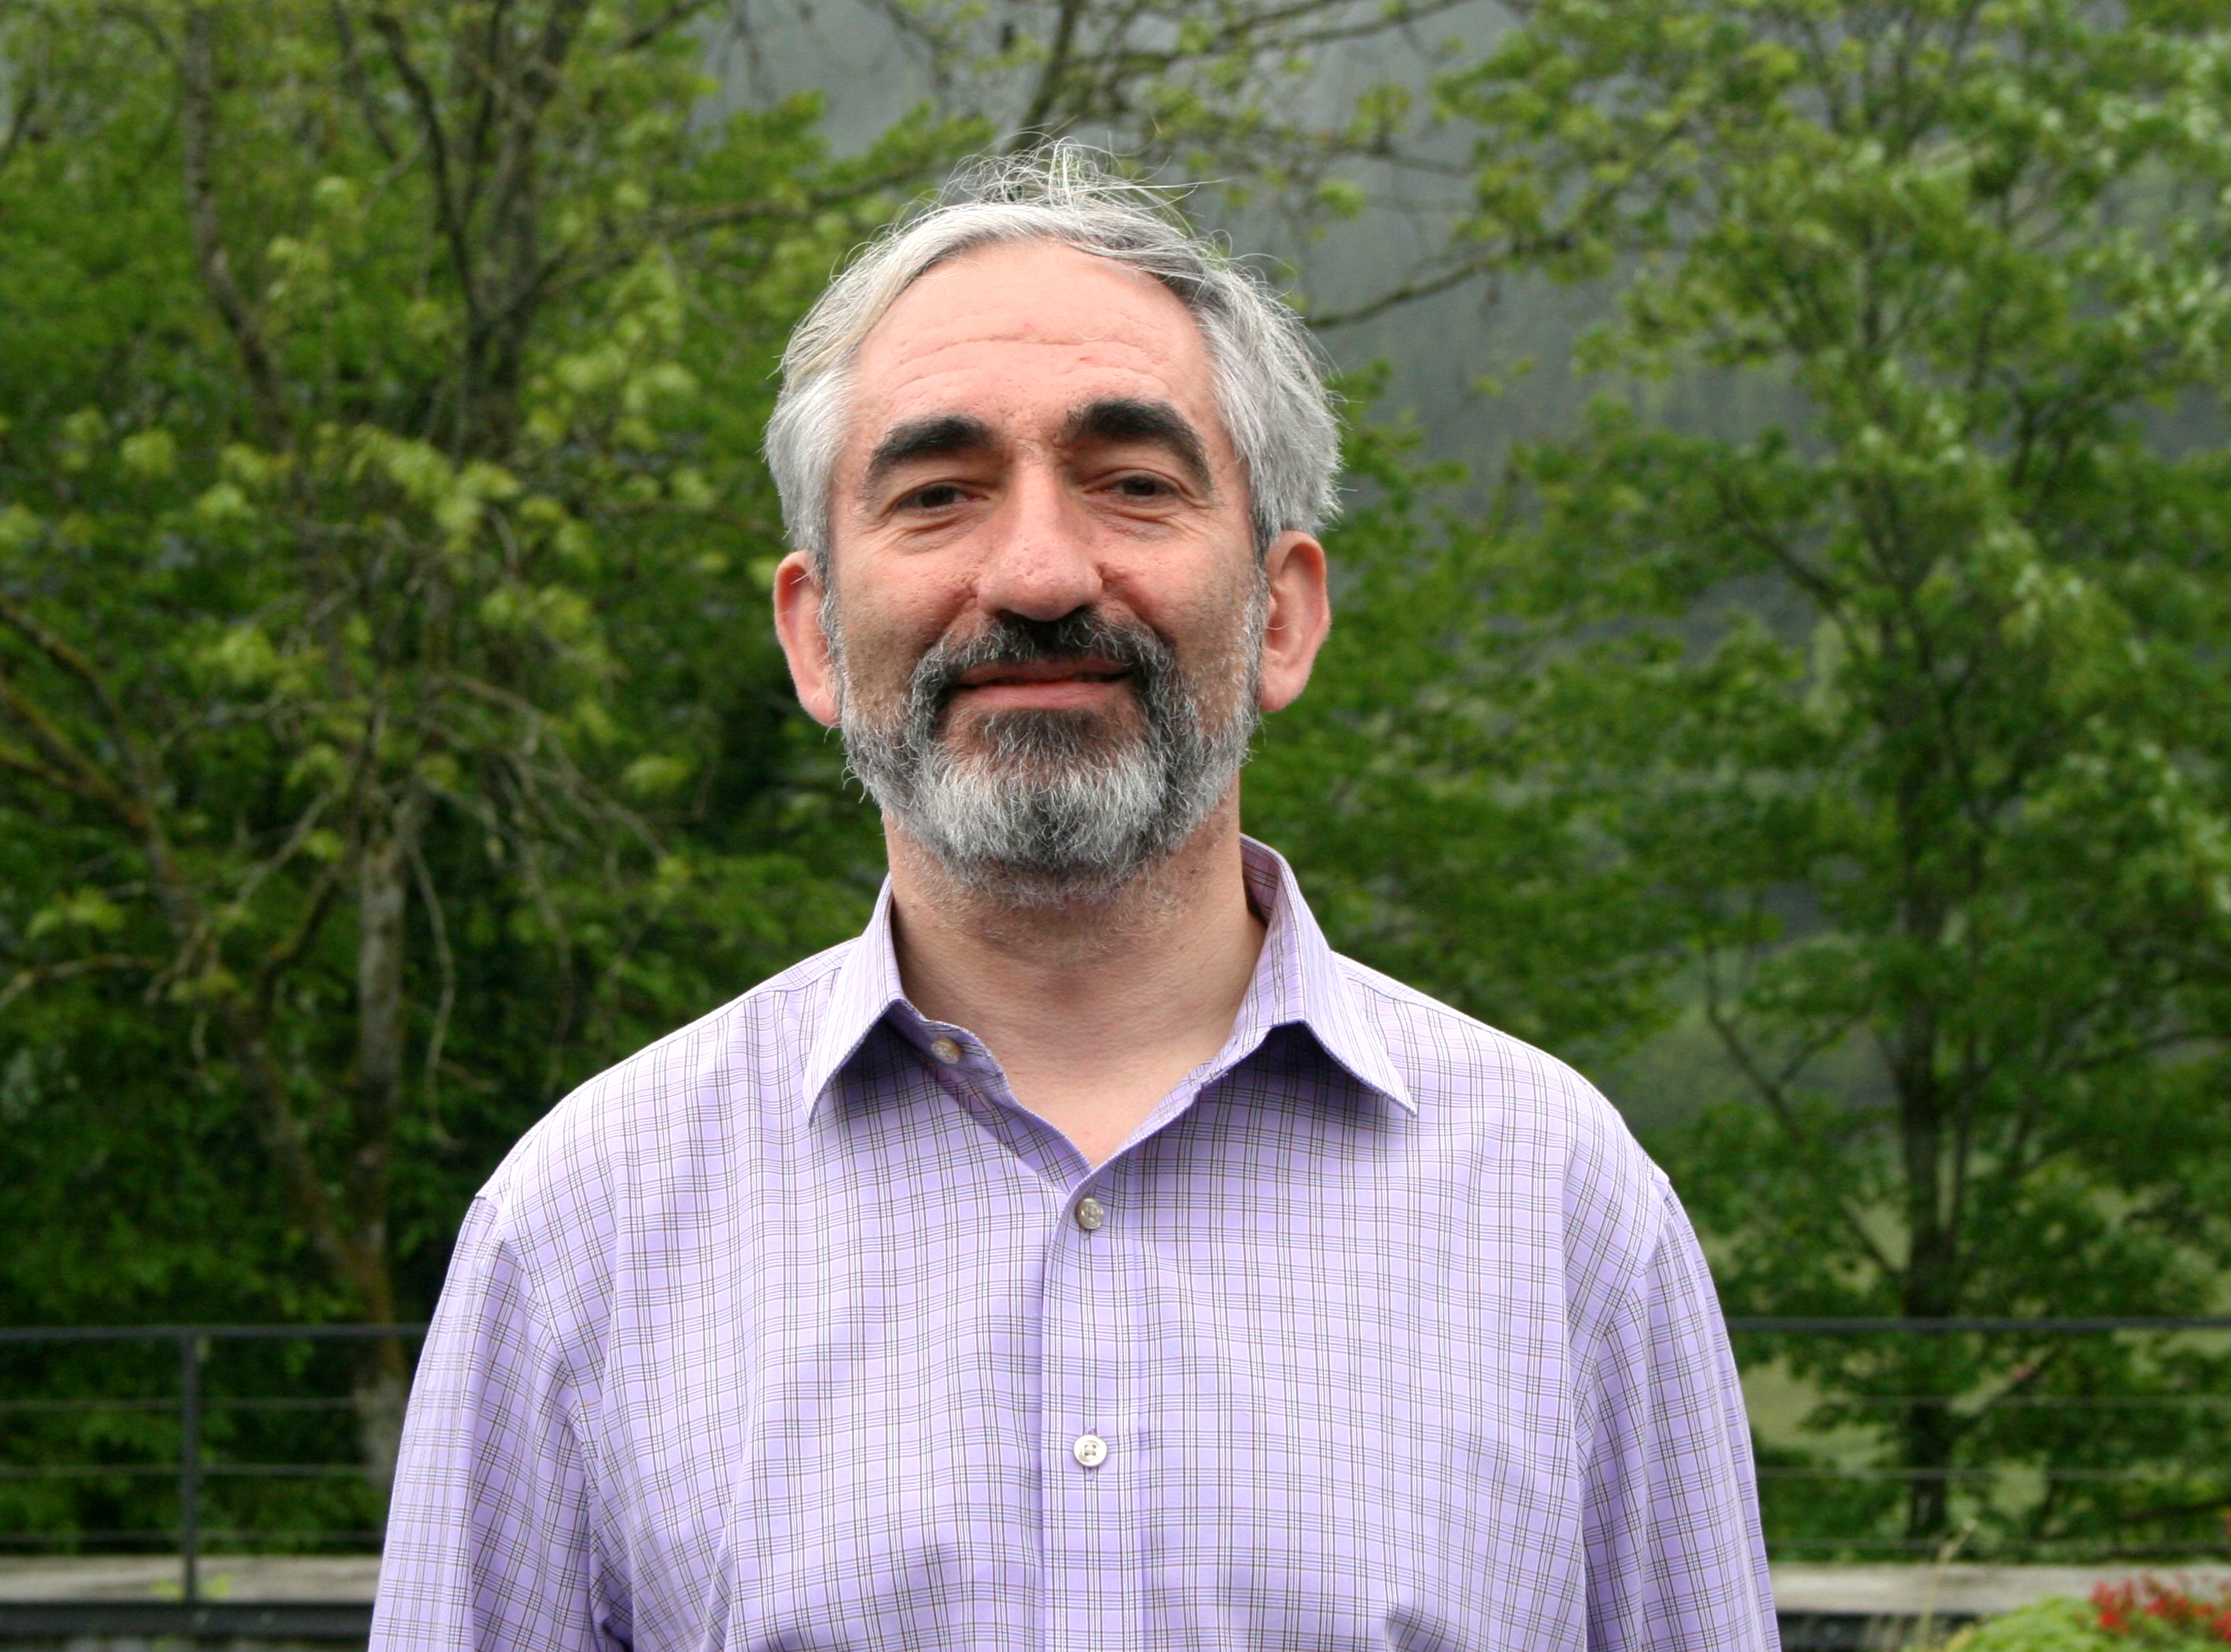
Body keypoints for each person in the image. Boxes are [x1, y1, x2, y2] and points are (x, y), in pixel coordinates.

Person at [372, 143, 1779, 1652]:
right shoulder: (577, 1231)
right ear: (818, 635)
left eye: (1133, 483)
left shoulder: (1568, 1213)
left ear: (1283, 611)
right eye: (937, 492)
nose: (1040, 571)